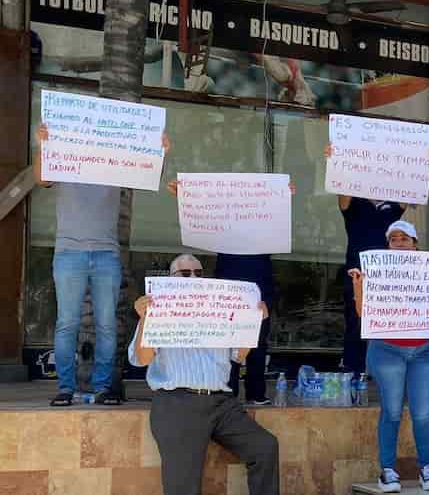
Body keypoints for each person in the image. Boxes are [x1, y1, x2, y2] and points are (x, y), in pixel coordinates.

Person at [35, 124, 170, 407]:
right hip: (69, 252)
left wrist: (161, 153)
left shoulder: (114, 164)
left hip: (106, 254)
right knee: (67, 324)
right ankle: (65, 389)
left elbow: (146, 175)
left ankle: (102, 389)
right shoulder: (65, 158)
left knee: (107, 325)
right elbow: (42, 178)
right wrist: (44, 145)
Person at [129, 254, 279, 495]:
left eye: (198, 273)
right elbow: (143, 359)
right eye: (185, 274)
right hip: (178, 403)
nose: (193, 278)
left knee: (265, 447)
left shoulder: (218, 308)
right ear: (171, 279)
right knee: (183, 486)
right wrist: (146, 318)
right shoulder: (157, 309)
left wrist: (253, 323)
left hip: (221, 402)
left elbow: (239, 355)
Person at [350, 220, 429, 492]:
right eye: (394, 239)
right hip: (387, 349)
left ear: (415, 243)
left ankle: (426, 468)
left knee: (423, 413)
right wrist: (359, 285)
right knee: (393, 411)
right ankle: (387, 470)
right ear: (388, 244)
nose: (399, 242)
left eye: (405, 238)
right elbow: (363, 312)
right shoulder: (377, 270)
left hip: (424, 351)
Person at [167, 179, 295, 405]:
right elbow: (202, 218)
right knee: (227, 336)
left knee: (258, 336)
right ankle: (229, 390)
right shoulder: (222, 226)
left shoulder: (263, 226)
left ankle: (256, 392)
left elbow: (277, 221)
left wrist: (283, 199)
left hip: (259, 280)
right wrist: (185, 198)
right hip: (227, 280)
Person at [324, 143, 429, 373]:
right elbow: (342, 189)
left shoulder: (392, 206)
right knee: (356, 322)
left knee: (385, 324)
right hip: (358, 272)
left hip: (388, 276)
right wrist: (336, 161)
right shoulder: (353, 203)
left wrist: (425, 163)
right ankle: (353, 373)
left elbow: (412, 187)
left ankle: (378, 371)